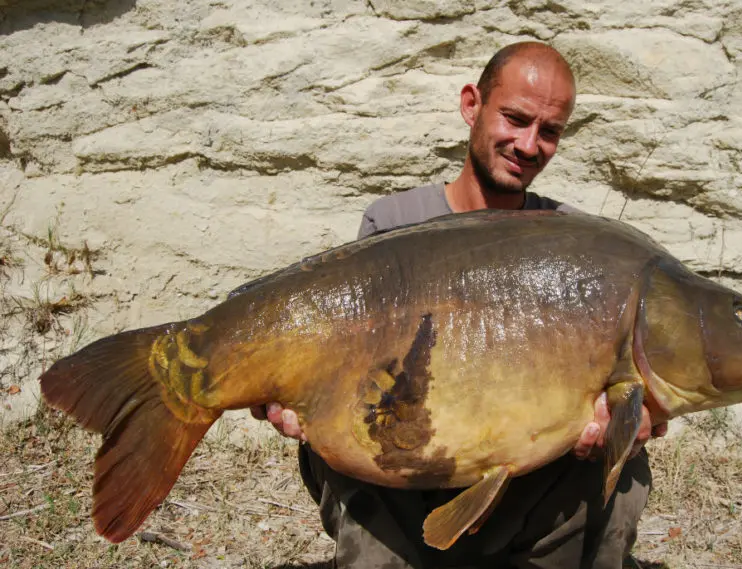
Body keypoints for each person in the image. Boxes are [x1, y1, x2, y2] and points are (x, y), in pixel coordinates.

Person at [253, 41, 667, 568]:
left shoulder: (569, 242)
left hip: (524, 482)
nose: (528, 144)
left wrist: (632, 423)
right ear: (472, 104)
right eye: (515, 119)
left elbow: (636, 390)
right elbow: (352, 371)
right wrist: (295, 398)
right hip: (405, 472)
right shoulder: (394, 223)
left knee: (624, 469)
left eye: (549, 132)